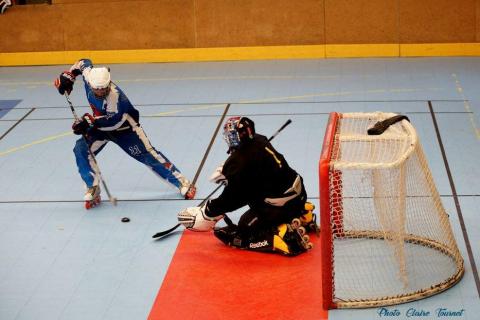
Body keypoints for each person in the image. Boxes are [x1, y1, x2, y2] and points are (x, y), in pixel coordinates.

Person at [54, 59, 196, 209]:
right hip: (100, 127)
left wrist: (88, 122)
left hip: (124, 129)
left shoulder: (115, 97)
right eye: (98, 89)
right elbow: (82, 62)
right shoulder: (89, 75)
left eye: (104, 88)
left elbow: (113, 122)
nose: (102, 91)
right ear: (90, 84)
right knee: (81, 149)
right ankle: (92, 187)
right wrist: (69, 75)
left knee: (149, 156)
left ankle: (182, 183)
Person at [177, 116, 318, 256]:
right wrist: (232, 171)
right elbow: (251, 164)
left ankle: (281, 236)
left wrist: (208, 212)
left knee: (245, 228)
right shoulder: (259, 140)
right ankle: (302, 213)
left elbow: (233, 198)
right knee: (262, 191)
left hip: (280, 207)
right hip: (298, 195)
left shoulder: (241, 162)